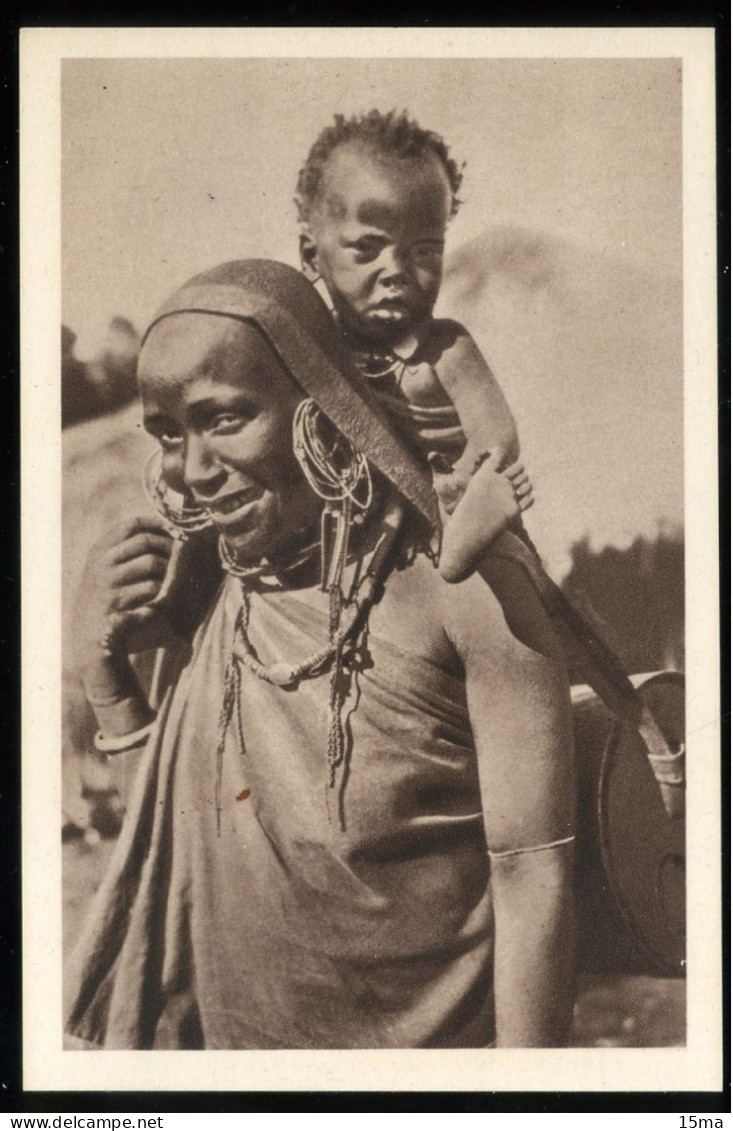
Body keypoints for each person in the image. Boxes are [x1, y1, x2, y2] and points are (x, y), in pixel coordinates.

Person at [65, 259, 575, 1050]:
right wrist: (106, 676)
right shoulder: (224, 593)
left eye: (225, 418)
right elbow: (181, 858)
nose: (192, 472)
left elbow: (532, 873)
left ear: (322, 407)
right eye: (169, 434)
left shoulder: (473, 587)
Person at [295, 109, 534, 583]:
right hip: (375, 542)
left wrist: (462, 482)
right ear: (310, 255)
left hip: (462, 520)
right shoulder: (319, 354)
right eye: (367, 248)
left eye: (425, 251)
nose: (398, 270)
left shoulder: (446, 349)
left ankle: (470, 533)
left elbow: (499, 437)